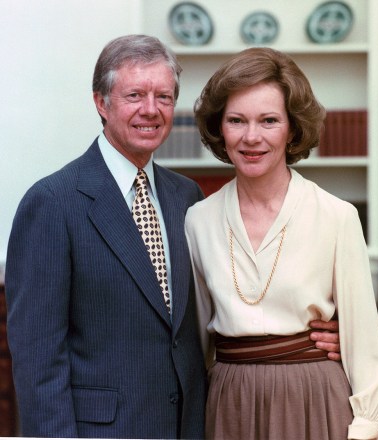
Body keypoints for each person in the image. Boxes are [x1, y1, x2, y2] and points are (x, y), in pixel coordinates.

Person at [5, 35, 340, 438]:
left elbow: (224, 305)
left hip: (191, 424)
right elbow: (38, 359)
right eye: (135, 95)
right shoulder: (52, 203)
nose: (151, 110)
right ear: (101, 102)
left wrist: (313, 339)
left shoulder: (188, 198)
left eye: (163, 96)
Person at [185, 47, 378, 440]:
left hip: (314, 398)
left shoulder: (337, 216)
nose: (251, 137)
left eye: (269, 121)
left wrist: (365, 429)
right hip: (231, 403)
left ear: (292, 128)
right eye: (236, 120)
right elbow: (195, 345)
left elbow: (366, 347)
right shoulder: (198, 221)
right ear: (220, 128)